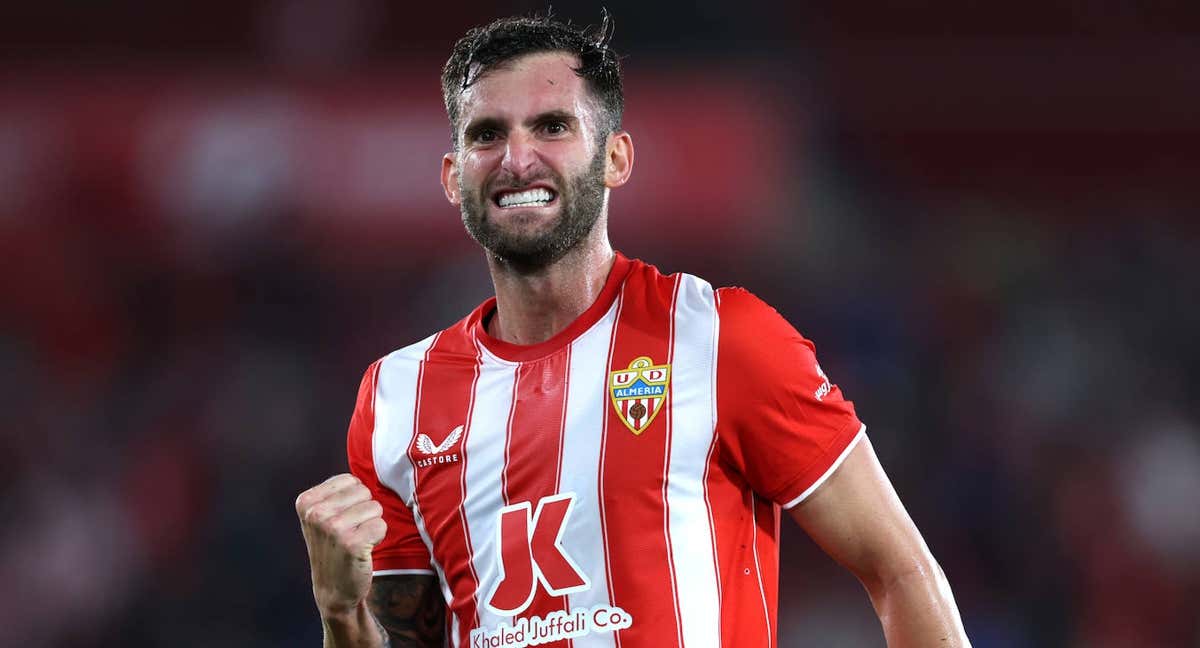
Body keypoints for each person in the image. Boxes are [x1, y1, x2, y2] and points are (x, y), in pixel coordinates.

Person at [296, 13, 970, 648]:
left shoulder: (720, 340)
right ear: (452, 176)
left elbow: (900, 570)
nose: (517, 158)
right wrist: (340, 613)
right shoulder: (395, 397)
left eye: (553, 126)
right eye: (486, 134)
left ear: (616, 158)